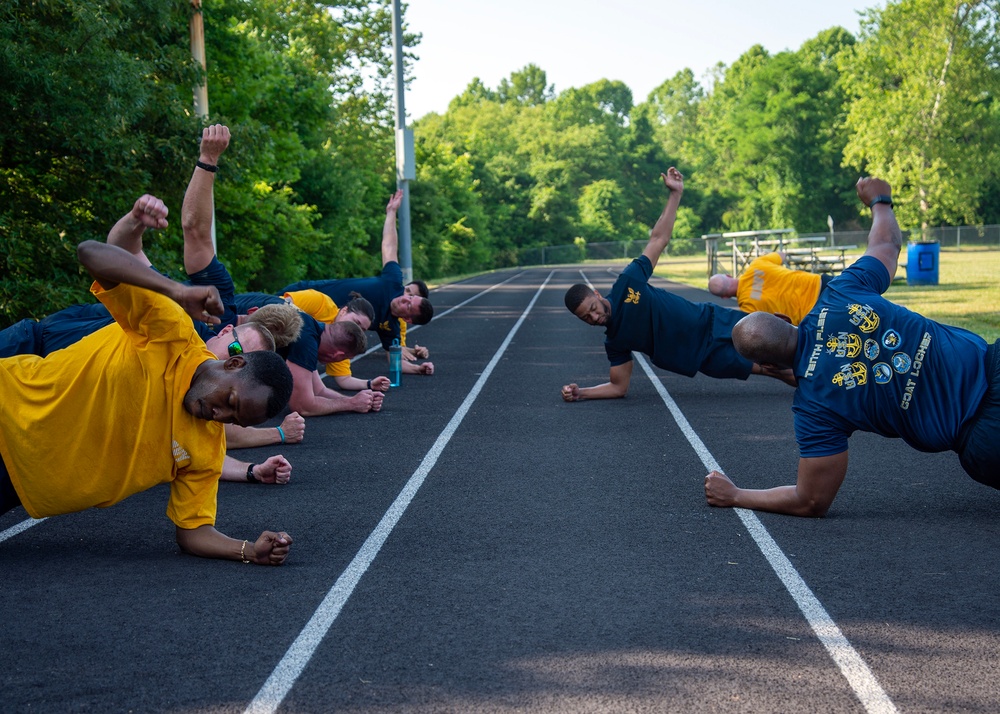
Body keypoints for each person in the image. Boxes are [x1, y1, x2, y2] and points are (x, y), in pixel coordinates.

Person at [704, 177, 1000, 517]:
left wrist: (736, 495)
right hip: (992, 363)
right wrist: (880, 201)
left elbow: (811, 500)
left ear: (768, 367)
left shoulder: (815, 408)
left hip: (983, 437)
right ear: (783, 316)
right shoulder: (840, 292)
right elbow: (886, 247)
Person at [0, 240, 295, 564]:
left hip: (18, 484)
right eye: (229, 400)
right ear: (234, 364)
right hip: (8, 407)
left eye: (232, 419)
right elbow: (90, 253)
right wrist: (177, 292)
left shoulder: (207, 449)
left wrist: (250, 550)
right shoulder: (171, 333)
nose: (219, 414)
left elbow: (193, 531)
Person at [561, 168, 793, 402]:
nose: (594, 318)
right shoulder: (615, 342)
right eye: (586, 318)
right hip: (702, 356)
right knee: (772, 369)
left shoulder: (627, 283)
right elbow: (618, 387)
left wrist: (675, 194)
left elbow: (658, 239)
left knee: (778, 341)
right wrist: (582, 393)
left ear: (597, 295)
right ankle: (823, 389)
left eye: (592, 309)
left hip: (709, 320)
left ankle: (826, 358)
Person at [280, 190, 435, 376]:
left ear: (408, 319)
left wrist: (419, 368)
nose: (405, 299)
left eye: (409, 306)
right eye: (409, 297)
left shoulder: (390, 328)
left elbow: (396, 364)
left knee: (281, 344)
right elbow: (389, 247)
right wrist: (391, 213)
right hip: (307, 295)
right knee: (256, 316)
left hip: (318, 322)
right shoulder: (394, 282)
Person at [234, 291, 381, 415]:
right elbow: (302, 406)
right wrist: (351, 404)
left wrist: (356, 400)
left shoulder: (312, 329)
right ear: (337, 356)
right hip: (219, 321)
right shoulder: (306, 339)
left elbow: (319, 390)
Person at [708, 252, 833, 325]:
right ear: (729, 276)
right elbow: (781, 255)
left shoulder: (748, 309)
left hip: (815, 313)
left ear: (724, 297)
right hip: (821, 284)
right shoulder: (757, 264)